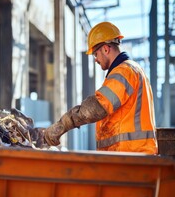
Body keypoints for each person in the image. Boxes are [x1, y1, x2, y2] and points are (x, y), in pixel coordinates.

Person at [35, 21, 158, 154]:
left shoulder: (124, 72)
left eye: (95, 54)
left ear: (106, 49)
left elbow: (97, 107)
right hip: (131, 154)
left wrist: (62, 125)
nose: (95, 59)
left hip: (132, 155)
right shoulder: (129, 70)